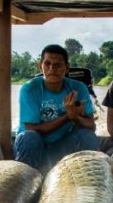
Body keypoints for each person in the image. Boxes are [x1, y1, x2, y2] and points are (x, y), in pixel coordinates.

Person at [14, 44, 98, 172]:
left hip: (61, 144)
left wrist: (75, 117)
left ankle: (84, 180)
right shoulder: (29, 89)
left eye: (58, 65)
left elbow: (91, 126)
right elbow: (32, 129)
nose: (52, 68)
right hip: (32, 147)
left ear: (67, 67)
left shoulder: (79, 88)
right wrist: (68, 117)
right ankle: (27, 177)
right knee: (29, 137)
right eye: (48, 64)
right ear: (40, 66)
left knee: (88, 136)